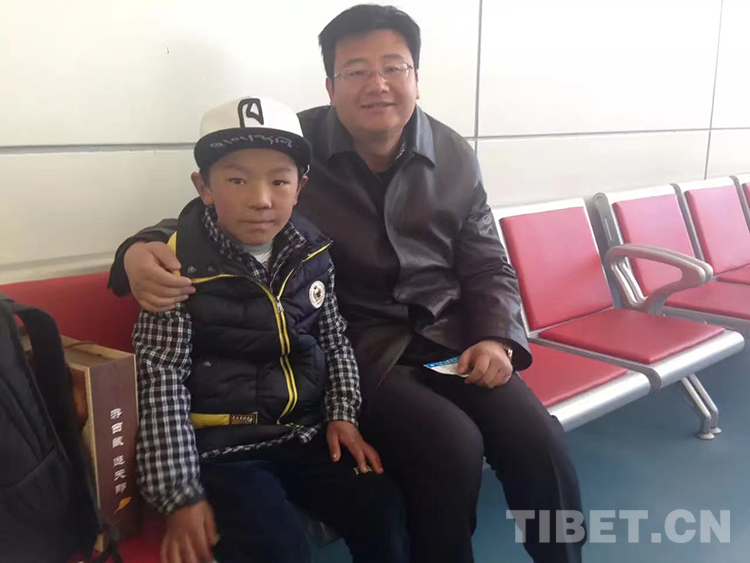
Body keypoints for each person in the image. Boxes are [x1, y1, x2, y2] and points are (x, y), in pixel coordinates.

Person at [110, 5, 585, 562]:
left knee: (539, 440)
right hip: (363, 349)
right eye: (356, 70)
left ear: (416, 77)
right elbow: (216, 213)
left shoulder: (454, 153)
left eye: (393, 67)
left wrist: (497, 337)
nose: (376, 84)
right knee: (451, 444)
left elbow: (487, 262)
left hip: (453, 338)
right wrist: (136, 250)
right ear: (331, 86)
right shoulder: (293, 143)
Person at [132, 95, 408, 563]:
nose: (261, 200)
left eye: (279, 181)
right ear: (204, 186)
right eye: (237, 180)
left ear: (300, 188)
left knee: (384, 510)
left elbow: (333, 339)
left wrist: (342, 414)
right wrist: (178, 495)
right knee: (277, 548)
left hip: (305, 433)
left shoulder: (312, 253)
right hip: (223, 449)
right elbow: (160, 378)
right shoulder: (174, 267)